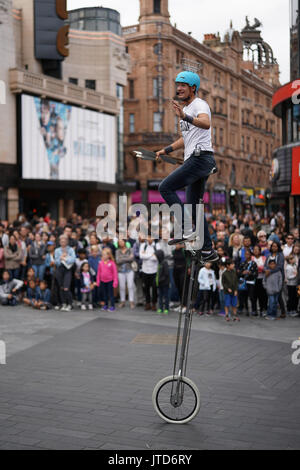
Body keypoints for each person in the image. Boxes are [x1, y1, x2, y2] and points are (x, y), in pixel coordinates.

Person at [156, 70, 218, 262]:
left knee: (165, 187)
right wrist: (165, 150)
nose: (179, 88)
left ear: (193, 88)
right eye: (178, 85)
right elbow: (185, 139)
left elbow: (206, 124)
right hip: (198, 159)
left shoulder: (199, 105)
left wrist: (185, 116)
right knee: (193, 208)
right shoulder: (186, 109)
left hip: (201, 158)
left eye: (183, 85)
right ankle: (208, 250)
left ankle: (186, 229)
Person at [54, 235, 76, 311]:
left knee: (66, 287)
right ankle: (63, 303)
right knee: (61, 287)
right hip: (59, 269)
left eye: (64, 241)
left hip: (67, 270)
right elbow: (56, 262)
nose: (63, 242)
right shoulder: (57, 250)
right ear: (59, 242)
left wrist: (65, 258)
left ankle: (70, 303)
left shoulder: (70, 250)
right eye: (61, 241)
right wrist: (60, 258)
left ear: (67, 241)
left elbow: (73, 260)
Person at [265, 242, 286, 318]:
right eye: (273, 246)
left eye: (276, 246)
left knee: (278, 295)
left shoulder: (280, 255)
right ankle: (271, 311)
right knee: (271, 295)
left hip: (278, 276)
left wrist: (270, 271)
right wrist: (266, 271)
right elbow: (265, 265)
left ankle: (282, 311)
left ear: (278, 247)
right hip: (269, 278)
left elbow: (279, 266)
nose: (274, 248)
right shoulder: (268, 255)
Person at [139, 236, 160, 311]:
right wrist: (151, 255)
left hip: (154, 271)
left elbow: (157, 257)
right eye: (148, 237)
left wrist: (146, 255)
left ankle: (154, 303)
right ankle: (148, 303)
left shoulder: (157, 245)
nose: (149, 238)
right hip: (145, 270)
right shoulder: (143, 245)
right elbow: (141, 256)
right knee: (146, 288)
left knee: (154, 288)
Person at [237, 249, 258, 316]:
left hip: (251, 282)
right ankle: (246, 309)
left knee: (252, 297)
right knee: (243, 296)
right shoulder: (242, 263)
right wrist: (242, 273)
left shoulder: (253, 263)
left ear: (251, 255)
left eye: (248, 254)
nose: (247, 255)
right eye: (246, 254)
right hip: (243, 282)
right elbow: (238, 273)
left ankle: (254, 310)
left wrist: (250, 273)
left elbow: (256, 274)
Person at [115, 240, 135, 309]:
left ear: (125, 242)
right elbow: (117, 260)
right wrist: (127, 258)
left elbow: (132, 259)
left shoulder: (130, 249)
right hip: (121, 271)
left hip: (129, 270)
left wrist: (122, 258)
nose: (121, 243)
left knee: (130, 286)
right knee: (122, 286)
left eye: (122, 241)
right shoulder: (117, 251)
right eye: (119, 242)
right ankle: (122, 301)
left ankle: (131, 301)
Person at [252, 245, 268, 317]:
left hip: (262, 278)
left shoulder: (264, 258)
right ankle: (254, 310)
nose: (255, 251)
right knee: (254, 295)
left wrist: (257, 268)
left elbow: (265, 268)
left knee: (262, 295)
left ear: (260, 251)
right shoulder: (251, 258)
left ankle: (262, 309)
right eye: (254, 249)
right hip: (253, 279)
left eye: (257, 249)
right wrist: (259, 268)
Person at [155, 250, 170, 315]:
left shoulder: (164, 263)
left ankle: (166, 308)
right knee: (160, 296)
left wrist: (160, 280)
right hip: (159, 283)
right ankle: (160, 308)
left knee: (166, 296)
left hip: (165, 283)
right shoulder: (159, 263)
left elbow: (166, 274)